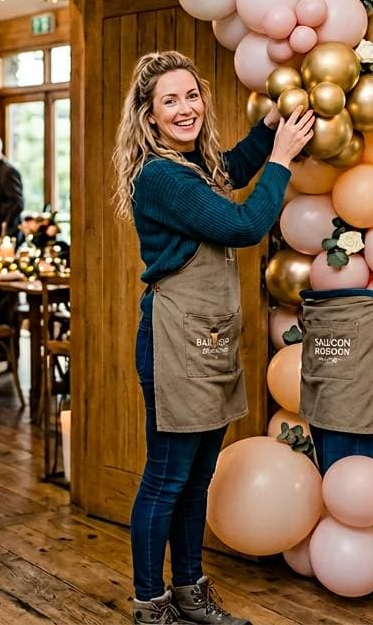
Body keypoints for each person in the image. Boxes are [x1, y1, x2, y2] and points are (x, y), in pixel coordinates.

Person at [110, 52, 314, 625]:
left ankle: (190, 593)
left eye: (191, 96)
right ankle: (151, 605)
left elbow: (230, 167)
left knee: (197, 478)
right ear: (149, 118)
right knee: (167, 477)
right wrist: (282, 160)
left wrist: (267, 132)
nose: (184, 108)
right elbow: (243, 225)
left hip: (209, 340)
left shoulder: (191, 167)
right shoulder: (160, 175)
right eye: (169, 101)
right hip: (175, 342)